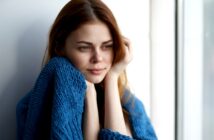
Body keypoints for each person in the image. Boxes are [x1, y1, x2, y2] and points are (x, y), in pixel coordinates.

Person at [16, 0, 157, 140]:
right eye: (84, 47)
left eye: (107, 46)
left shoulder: (132, 106)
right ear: (60, 47)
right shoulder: (34, 108)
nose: (98, 58)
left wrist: (112, 77)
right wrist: (89, 94)